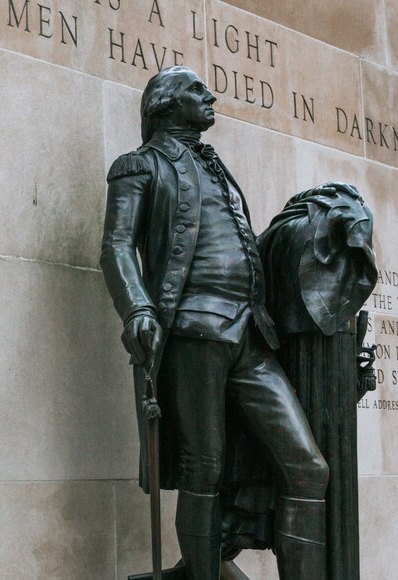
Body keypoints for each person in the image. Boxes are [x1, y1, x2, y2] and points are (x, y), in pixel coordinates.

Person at [100, 66, 329, 580]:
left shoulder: (216, 167)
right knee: (202, 471)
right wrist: (137, 308)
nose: (211, 96)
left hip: (251, 333)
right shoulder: (139, 165)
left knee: (308, 467)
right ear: (165, 103)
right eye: (196, 90)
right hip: (193, 332)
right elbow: (115, 246)